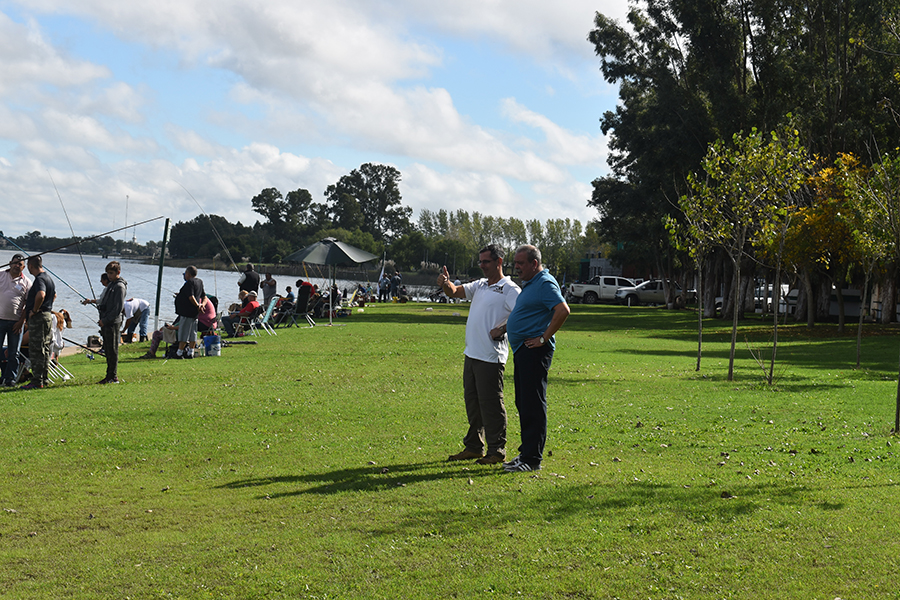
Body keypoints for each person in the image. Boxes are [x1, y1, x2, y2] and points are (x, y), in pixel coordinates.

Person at [439, 244, 521, 465]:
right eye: (480, 262)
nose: (482, 266)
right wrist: (447, 284)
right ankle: (474, 446)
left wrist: (502, 329)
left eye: (486, 262)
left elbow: (521, 315)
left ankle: (497, 450)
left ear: (499, 262)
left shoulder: (510, 289)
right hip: (472, 353)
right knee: (473, 403)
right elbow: (455, 293)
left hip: (491, 357)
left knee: (491, 404)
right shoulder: (481, 285)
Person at [502, 245, 570, 472]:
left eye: (521, 263)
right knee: (524, 402)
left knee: (533, 404)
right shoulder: (533, 283)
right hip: (523, 350)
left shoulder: (545, 283)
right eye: (515, 262)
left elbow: (563, 310)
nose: (516, 267)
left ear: (534, 263)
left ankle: (532, 460)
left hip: (535, 352)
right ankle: (526, 453)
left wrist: (543, 338)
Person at [20, 255, 55, 390]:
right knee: (45, 349)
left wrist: (34, 310)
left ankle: (37, 380)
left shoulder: (40, 279)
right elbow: (54, 295)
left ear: (30, 266)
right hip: (47, 315)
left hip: (39, 317)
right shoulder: (48, 278)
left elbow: (41, 294)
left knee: (36, 349)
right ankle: (43, 378)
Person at [0, 253, 31, 387]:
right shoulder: (1, 274)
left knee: (14, 353)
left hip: (16, 323)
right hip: (0, 320)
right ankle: (2, 376)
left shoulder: (27, 282)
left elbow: (28, 305)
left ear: (23, 267)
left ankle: (10, 378)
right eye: (15, 263)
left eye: (20, 264)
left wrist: (21, 321)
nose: (17, 266)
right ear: (9, 263)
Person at [98, 261, 126, 384]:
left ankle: (113, 377)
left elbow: (117, 309)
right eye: (108, 273)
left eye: (111, 273)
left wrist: (105, 320)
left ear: (118, 272)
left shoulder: (119, 287)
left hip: (113, 322)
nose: (109, 276)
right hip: (106, 321)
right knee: (108, 350)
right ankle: (108, 375)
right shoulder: (111, 285)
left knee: (113, 350)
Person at [174, 265, 204, 359]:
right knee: (193, 333)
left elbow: (191, 297)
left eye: (185, 273)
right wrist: (202, 305)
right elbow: (204, 296)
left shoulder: (189, 282)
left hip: (187, 312)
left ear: (188, 274)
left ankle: (179, 353)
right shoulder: (199, 282)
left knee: (184, 332)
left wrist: (198, 305)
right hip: (194, 313)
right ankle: (190, 352)